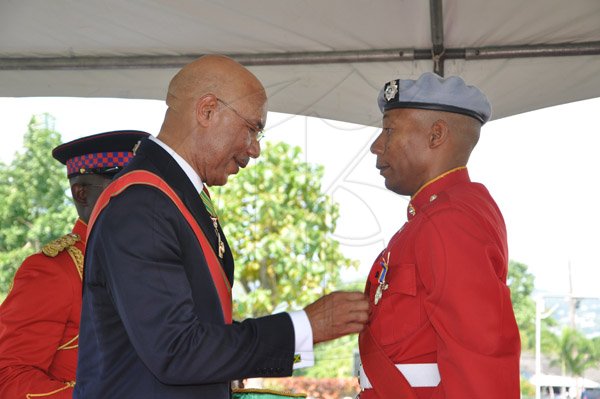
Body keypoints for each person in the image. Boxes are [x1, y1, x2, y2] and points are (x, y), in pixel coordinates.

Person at [74, 55, 370, 398]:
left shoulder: (175, 195)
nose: (255, 149)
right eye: (252, 128)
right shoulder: (146, 204)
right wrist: (304, 326)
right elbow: (176, 349)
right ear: (208, 110)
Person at [357, 73, 521, 398]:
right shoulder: (431, 217)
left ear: (436, 135)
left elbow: (480, 361)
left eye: (389, 130)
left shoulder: (452, 219)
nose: (377, 145)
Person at [0, 130, 150, 398]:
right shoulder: (53, 271)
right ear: (81, 194)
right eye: (123, 188)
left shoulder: (151, 263)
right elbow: (8, 377)